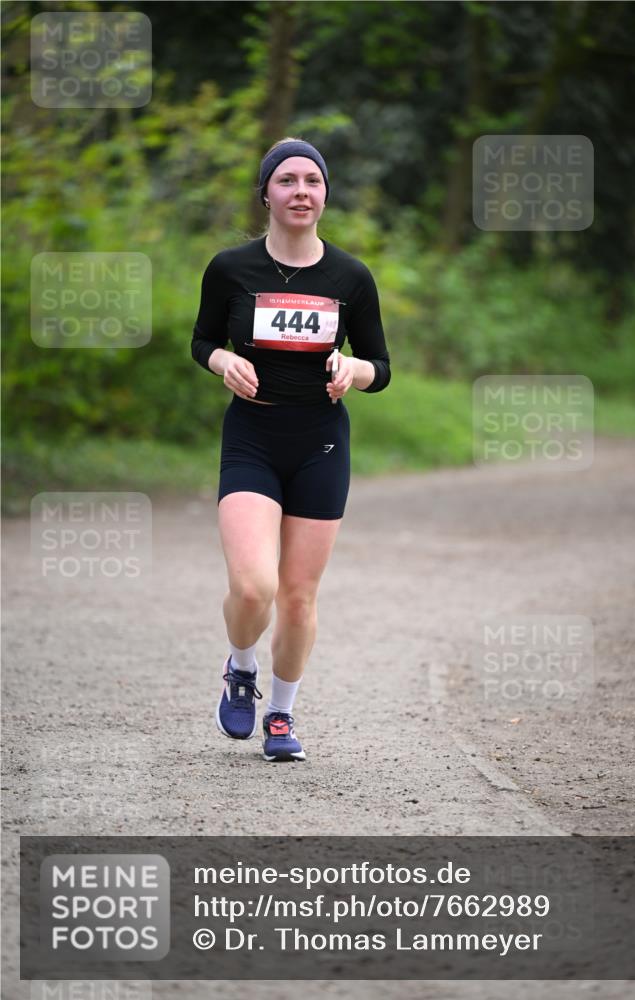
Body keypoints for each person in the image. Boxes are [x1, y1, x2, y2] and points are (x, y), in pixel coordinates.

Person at [191, 137, 390, 762]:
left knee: (299, 596)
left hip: (321, 442)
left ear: (325, 193)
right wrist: (223, 358)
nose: (301, 191)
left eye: (312, 180)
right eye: (287, 180)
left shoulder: (351, 278)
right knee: (254, 589)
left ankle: (281, 714)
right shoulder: (230, 269)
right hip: (251, 436)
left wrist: (355, 372)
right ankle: (241, 667)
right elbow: (200, 341)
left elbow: (381, 365)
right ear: (267, 193)